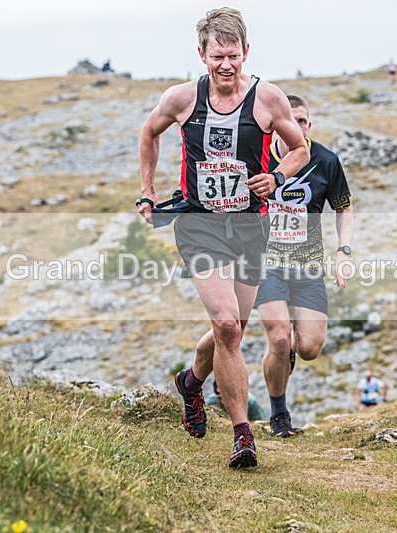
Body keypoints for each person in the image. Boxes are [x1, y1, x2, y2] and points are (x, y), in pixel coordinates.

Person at [137, 7, 309, 469]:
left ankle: (191, 383)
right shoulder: (181, 98)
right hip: (200, 224)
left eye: (233, 55)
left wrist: (274, 178)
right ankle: (242, 435)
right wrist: (148, 191)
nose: (226, 65)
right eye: (217, 57)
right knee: (228, 326)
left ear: (246, 52)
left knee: (233, 325)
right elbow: (149, 133)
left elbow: (300, 149)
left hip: (251, 226)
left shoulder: (267, 99)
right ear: (202, 55)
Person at [255, 95, 353, 438]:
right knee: (279, 339)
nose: (298, 126)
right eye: (291, 120)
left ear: (309, 125)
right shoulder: (261, 156)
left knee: (309, 347)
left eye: (303, 121)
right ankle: (279, 414)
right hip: (266, 263)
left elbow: (343, 208)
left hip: (309, 265)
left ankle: (289, 355)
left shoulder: (326, 160)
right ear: (277, 123)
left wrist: (343, 252)